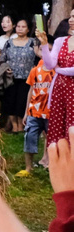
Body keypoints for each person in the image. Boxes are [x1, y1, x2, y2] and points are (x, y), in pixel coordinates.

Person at [39, 8, 74, 148]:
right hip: (59, 90)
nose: (70, 20)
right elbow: (50, 64)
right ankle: (57, 164)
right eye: (70, 16)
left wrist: (59, 70)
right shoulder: (60, 41)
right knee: (57, 126)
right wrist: (43, 45)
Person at [1, 19, 39, 133]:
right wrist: (4, 68)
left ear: (28, 29)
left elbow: (38, 58)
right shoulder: (8, 43)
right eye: (18, 26)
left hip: (27, 78)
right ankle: (14, 126)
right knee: (10, 102)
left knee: (22, 102)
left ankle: (21, 126)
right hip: (10, 77)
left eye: (23, 27)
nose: (20, 29)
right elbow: (2, 59)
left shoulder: (33, 42)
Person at [20, 56, 54, 177]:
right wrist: (26, 112)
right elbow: (31, 90)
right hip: (34, 112)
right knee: (29, 137)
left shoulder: (57, 71)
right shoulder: (35, 70)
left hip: (52, 113)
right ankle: (28, 168)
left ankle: (52, 167)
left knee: (53, 141)